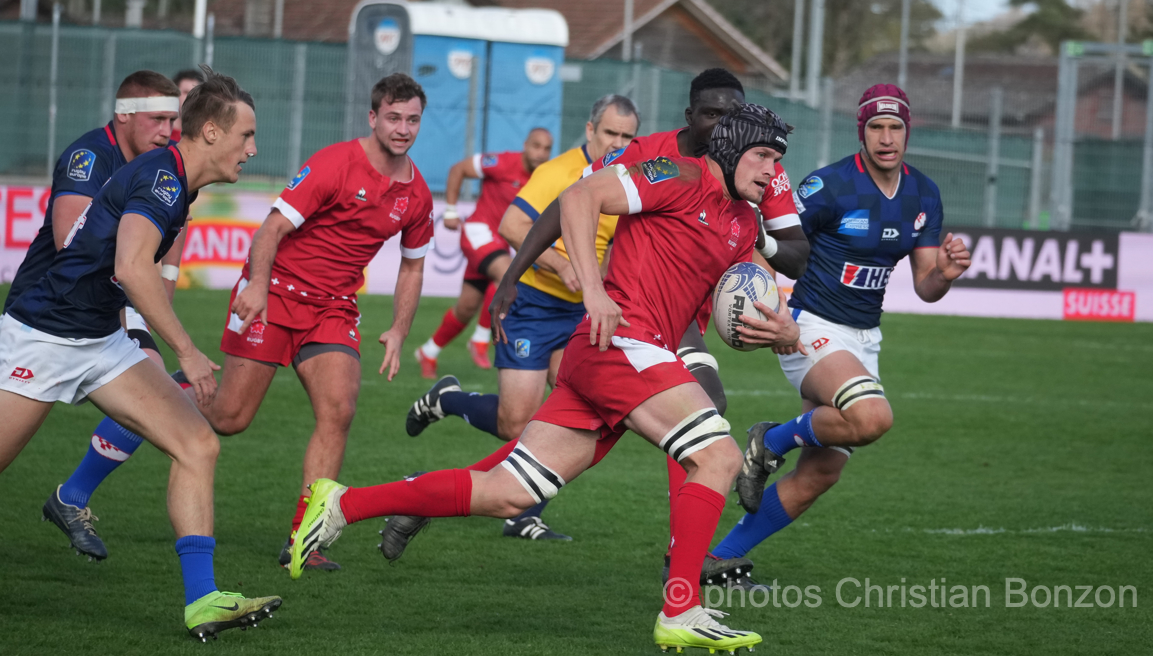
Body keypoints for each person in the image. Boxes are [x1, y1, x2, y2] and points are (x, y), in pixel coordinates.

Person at [291, 104, 803, 655]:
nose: (772, 171)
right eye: (763, 156)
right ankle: (681, 607)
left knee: (509, 494)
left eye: (778, 160)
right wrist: (594, 288)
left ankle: (341, 502)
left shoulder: (744, 222)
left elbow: (741, 302)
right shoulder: (676, 176)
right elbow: (578, 198)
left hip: (621, 356)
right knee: (719, 455)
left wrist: (778, 329)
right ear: (728, 151)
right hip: (621, 345)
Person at [490, 68, 810, 585]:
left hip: (690, 311)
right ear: (691, 117)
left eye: (733, 115)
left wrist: (759, 242)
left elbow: (796, 251)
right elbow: (570, 200)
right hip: (639, 306)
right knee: (706, 415)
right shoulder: (655, 156)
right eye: (711, 114)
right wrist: (516, 272)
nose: (723, 124)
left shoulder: (761, 167)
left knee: (589, 428)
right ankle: (685, 562)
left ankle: (456, 490)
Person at [0, 67, 281, 641]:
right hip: (43, 335)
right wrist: (188, 351)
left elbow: (137, 270)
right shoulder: (162, 180)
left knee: (197, 443)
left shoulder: (180, 181)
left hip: (100, 340)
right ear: (208, 132)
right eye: (245, 136)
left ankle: (203, 601)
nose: (252, 149)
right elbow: (131, 268)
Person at [714, 83, 972, 570]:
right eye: (876, 126)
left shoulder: (922, 193)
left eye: (896, 127)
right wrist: (772, 306)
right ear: (862, 131)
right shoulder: (829, 186)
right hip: (809, 325)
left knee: (821, 473)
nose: (887, 137)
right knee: (873, 419)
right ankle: (767, 442)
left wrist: (945, 273)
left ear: (908, 131)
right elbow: (767, 238)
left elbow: (925, 286)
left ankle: (717, 558)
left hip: (862, 338)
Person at [211, 72, 434, 572]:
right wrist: (256, 286)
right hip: (275, 295)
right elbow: (271, 229)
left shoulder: (417, 194)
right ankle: (170, 391)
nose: (403, 128)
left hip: (332, 308)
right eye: (393, 117)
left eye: (413, 119)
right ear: (373, 117)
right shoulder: (334, 163)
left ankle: (302, 541)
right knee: (229, 418)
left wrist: (399, 329)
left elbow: (414, 264)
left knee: (339, 410)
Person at [396, 95, 637, 547]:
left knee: (578, 417)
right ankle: (448, 400)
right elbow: (510, 225)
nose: (618, 143)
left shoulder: (628, 178)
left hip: (580, 315)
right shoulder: (558, 173)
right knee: (514, 423)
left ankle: (525, 515)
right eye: (610, 133)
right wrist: (562, 265)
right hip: (533, 306)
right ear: (590, 131)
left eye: (627, 135)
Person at [13, 70, 186, 561]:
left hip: (106, 311)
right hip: (47, 315)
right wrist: (135, 267)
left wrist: (156, 289)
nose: (167, 130)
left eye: (173, 120)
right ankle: (71, 498)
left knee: (180, 419)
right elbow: (71, 239)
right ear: (124, 116)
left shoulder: (162, 167)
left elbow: (171, 234)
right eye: (157, 119)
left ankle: (74, 498)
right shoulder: (89, 156)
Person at [414, 128, 553, 378]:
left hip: (500, 243)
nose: (541, 153)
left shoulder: (544, 177)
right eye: (536, 146)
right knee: (508, 275)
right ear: (525, 145)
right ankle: (480, 340)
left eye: (546, 148)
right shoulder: (501, 162)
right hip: (478, 232)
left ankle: (428, 351)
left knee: (466, 308)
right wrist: (451, 211)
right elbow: (459, 169)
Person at [171, 69, 204, 141]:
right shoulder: (162, 132)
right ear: (175, 94)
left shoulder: (205, 134)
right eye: (186, 92)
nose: (190, 97)